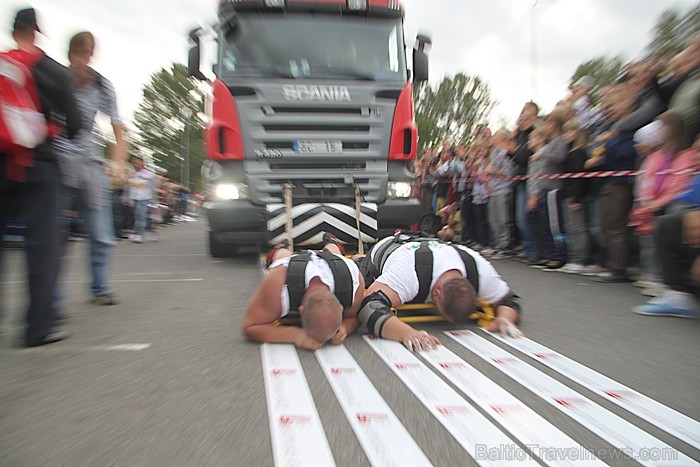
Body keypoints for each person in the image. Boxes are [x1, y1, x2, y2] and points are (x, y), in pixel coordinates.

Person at [0, 8, 82, 346]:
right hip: (40, 165)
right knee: (42, 248)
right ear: (35, 31)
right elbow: (77, 126)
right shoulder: (53, 71)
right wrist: (52, 126)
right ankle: (38, 328)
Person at [54, 31, 128, 306]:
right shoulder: (58, 79)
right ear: (72, 54)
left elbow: (119, 131)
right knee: (57, 234)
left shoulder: (102, 85)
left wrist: (118, 162)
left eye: (89, 54)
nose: (85, 60)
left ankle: (100, 286)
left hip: (90, 162)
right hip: (59, 158)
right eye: (80, 54)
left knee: (101, 233)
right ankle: (52, 298)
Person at [353, 234, 523, 351]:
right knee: (358, 275)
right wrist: (407, 333)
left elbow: (509, 300)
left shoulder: (480, 271)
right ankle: (360, 259)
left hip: (433, 246)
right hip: (390, 248)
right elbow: (369, 305)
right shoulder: (409, 273)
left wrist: (505, 319)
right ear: (437, 294)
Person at [243, 234, 366, 351]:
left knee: (334, 253)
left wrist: (345, 327)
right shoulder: (279, 281)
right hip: (291, 265)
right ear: (300, 311)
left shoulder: (354, 280)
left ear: (341, 308)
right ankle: (280, 248)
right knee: (283, 256)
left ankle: (333, 243)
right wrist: (295, 335)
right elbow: (250, 327)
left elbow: (355, 317)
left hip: (334, 262)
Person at [124, 154, 155, 243]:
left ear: (142, 162)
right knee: (142, 216)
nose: (136, 164)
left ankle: (138, 234)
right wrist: (126, 198)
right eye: (134, 162)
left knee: (140, 216)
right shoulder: (132, 174)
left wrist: (154, 200)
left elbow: (153, 188)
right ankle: (151, 231)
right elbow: (128, 188)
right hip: (135, 198)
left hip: (145, 197)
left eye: (138, 162)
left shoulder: (149, 175)